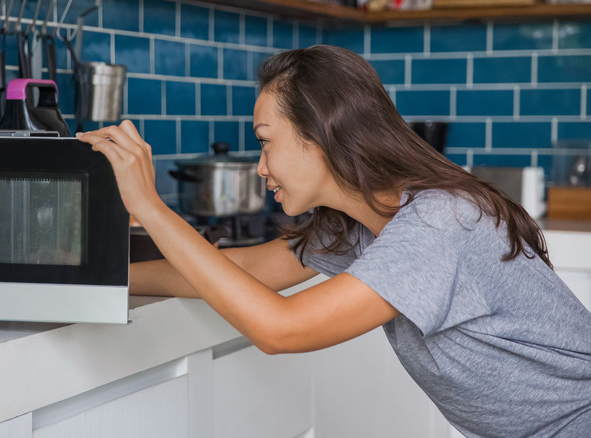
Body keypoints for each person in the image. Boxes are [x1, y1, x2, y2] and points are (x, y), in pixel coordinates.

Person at [77, 45, 591, 437]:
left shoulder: (438, 223)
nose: (260, 167)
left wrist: (150, 206)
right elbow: (249, 271)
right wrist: (99, 280)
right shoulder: (360, 223)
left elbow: (282, 330)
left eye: (264, 141)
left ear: (320, 136)